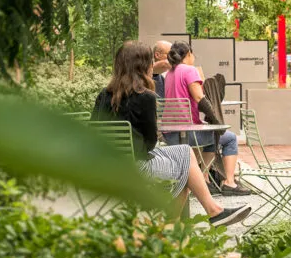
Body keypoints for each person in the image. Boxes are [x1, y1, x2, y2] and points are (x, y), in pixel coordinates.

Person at [91, 42, 251, 227]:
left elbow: (93, 132)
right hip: (137, 167)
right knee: (184, 168)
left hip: (107, 166)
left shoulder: (103, 95)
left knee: (185, 152)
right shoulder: (146, 97)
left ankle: (205, 214)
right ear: (144, 66)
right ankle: (181, 223)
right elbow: (150, 144)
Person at [163, 41, 251, 195]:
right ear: (189, 54)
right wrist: (215, 120)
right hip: (188, 134)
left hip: (170, 134)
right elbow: (199, 98)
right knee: (229, 138)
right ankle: (227, 182)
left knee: (211, 138)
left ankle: (203, 179)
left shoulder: (170, 73)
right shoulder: (190, 70)